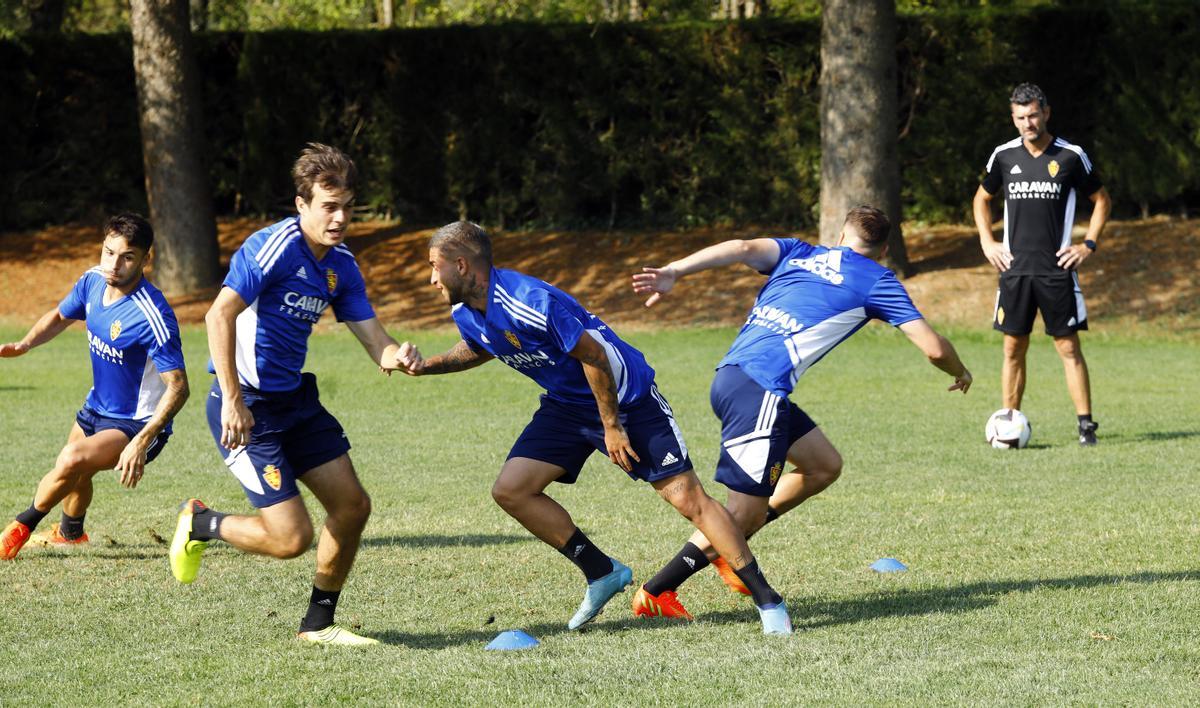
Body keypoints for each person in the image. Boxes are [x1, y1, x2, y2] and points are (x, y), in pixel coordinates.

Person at [393, 221, 792, 634]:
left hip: (628, 402)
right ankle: (602, 571)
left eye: (434, 266)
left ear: (461, 265)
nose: (431, 278)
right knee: (512, 490)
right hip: (566, 406)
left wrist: (612, 426)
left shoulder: (529, 301)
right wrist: (425, 366)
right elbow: (480, 346)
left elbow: (595, 356)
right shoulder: (465, 310)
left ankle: (769, 601)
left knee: (690, 501)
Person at [629, 205, 972, 610]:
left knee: (823, 465)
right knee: (743, 514)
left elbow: (741, 247)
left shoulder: (799, 251)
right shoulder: (877, 280)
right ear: (883, 250)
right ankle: (657, 590)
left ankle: (727, 548)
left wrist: (675, 271)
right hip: (759, 392)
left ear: (840, 236)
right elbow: (934, 349)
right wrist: (960, 371)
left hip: (733, 378)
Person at [169, 143, 404, 646]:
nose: (340, 219)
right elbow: (218, 314)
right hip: (247, 408)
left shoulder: (342, 265)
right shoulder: (272, 247)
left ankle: (317, 625)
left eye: (348, 207)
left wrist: (397, 356)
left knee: (353, 506)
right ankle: (202, 524)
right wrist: (233, 399)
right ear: (302, 204)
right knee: (290, 538)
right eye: (329, 207)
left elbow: (374, 339)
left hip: (296, 402)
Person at [1, 213, 189, 560]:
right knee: (74, 468)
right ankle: (71, 534)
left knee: (72, 459)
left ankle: (17, 529)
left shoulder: (152, 315)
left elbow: (178, 387)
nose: (114, 265)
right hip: (97, 406)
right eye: (108, 252)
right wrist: (25, 344)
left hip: (137, 423)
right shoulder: (92, 281)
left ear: (146, 259)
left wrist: (141, 441)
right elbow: (61, 316)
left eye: (127, 257)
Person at [973, 82, 1111, 446]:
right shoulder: (1003, 156)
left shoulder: (1070, 156)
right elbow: (981, 199)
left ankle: (1086, 426)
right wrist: (987, 241)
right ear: (1013, 118)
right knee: (1012, 348)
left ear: (1046, 113)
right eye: (1020, 117)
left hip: (1056, 270)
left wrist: (1088, 245)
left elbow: (1101, 199)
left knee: (1068, 347)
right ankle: (1009, 422)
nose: (1028, 123)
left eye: (1033, 115)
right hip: (1014, 270)